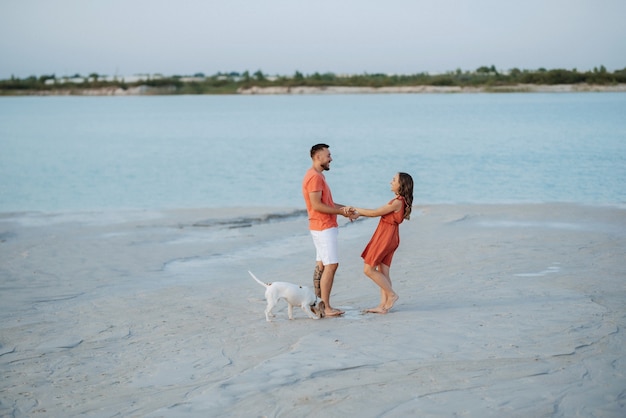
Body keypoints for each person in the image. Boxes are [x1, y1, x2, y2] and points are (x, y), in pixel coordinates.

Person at [302, 144, 355, 317]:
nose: (331, 158)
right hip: (323, 227)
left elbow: (327, 204)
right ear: (318, 157)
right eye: (328, 155)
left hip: (319, 226)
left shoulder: (316, 176)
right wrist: (340, 211)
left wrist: (345, 210)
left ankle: (317, 304)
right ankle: (326, 307)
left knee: (322, 264)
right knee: (331, 265)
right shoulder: (315, 177)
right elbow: (317, 205)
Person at [352, 172, 414, 314]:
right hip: (390, 236)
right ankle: (383, 305)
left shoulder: (397, 202)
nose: (390, 182)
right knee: (383, 272)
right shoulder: (399, 201)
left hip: (385, 237)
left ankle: (392, 295)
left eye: (394, 180)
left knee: (368, 270)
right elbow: (376, 212)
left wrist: (355, 209)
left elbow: (375, 212)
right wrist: (358, 214)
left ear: (401, 184)